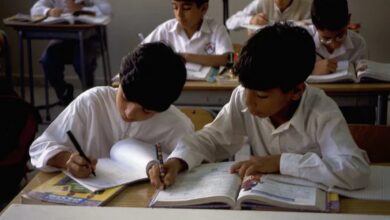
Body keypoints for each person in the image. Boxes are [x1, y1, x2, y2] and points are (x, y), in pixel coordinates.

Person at [149, 22, 370, 191]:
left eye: (262, 96)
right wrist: (177, 161)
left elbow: (355, 171)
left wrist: (281, 162)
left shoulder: (321, 110)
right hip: (264, 200)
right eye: (245, 89)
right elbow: (213, 139)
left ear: (296, 91)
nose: (248, 103)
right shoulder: (243, 97)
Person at [29, 42, 194, 178]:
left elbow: (192, 165)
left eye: (145, 110)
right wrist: (66, 159)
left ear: (162, 109)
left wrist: (174, 168)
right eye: (125, 97)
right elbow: (40, 147)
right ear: (119, 80)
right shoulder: (92, 102)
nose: (129, 113)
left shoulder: (177, 125)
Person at [30, 0, 112, 105]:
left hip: (91, 39)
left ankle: (89, 100)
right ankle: (64, 93)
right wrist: (48, 11)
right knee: (48, 59)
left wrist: (82, 9)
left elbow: (107, 10)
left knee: (81, 59)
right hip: (65, 39)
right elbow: (35, 9)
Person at [142, 0, 233, 68]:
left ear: (203, 9)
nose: (179, 14)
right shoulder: (166, 29)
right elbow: (141, 52)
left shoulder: (217, 29)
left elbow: (230, 59)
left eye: (186, 8)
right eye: (175, 7)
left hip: (206, 87)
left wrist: (185, 57)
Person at [309, 0, 367, 75]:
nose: (334, 44)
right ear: (314, 26)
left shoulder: (359, 44)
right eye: (326, 39)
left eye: (340, 36)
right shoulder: (301, 39)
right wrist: (311, 69)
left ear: (348, 20)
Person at [226, 0, 312, 31]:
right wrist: (251, 19)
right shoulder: (261, 2)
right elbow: (230, 23)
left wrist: (301, 24)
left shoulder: (307, 4)